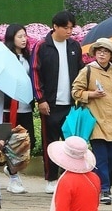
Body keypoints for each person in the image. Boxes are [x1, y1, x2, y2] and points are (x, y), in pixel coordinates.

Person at [71, 38, 112, 205]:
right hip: (95, 120)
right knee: (101, 157)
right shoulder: (88, 70)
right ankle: (104, 190)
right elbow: (75, 91)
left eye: (105, 51)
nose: (101, 53)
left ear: (111, 54)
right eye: (99, 50)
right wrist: (91, 94)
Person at [34, 11, 82, 193]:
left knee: (71, 141)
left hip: (70, 104)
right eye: (65, 27)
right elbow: (35, 73)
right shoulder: (42, 46)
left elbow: (80, 71)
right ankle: (51, 178)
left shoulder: (74, 46)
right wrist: (41, 99)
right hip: (50, 104)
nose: (69, 31)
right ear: (55, 26)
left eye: (71, 28)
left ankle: (70, 177)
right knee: (51, 142)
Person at [2, 26, 37, 194]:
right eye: (20, 36)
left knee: (30, 142)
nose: (24, 39)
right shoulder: (6, 58)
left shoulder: (28, 57)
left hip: (25, 108)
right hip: (7, 109)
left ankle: (12, 171)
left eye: (25, 36)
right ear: (11, 38)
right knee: (2, 142)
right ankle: (14, 177)